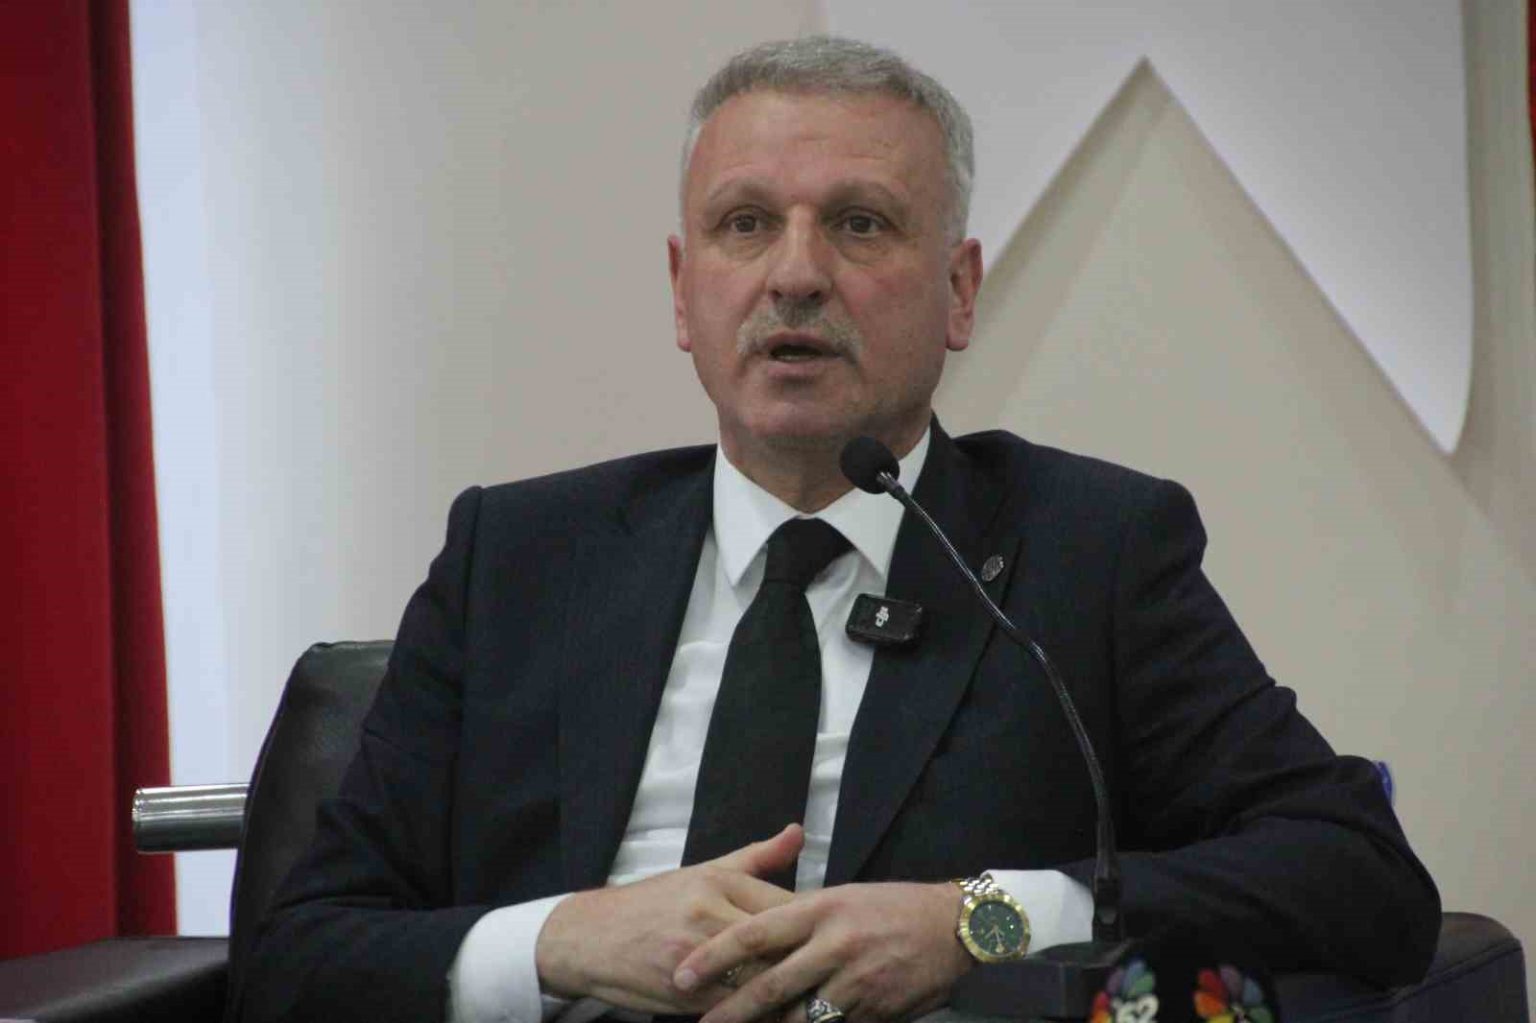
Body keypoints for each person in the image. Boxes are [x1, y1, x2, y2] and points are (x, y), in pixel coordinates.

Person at [235, 35, 1439, 1023]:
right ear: (682, 289)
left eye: (860, 224)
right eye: (745, 224)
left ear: (959, 291)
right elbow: (294, 958)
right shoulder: (518, 557)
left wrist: (977, 921)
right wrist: (562, 940)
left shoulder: (1089, 551)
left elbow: (1359, 874)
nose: (796, 275)